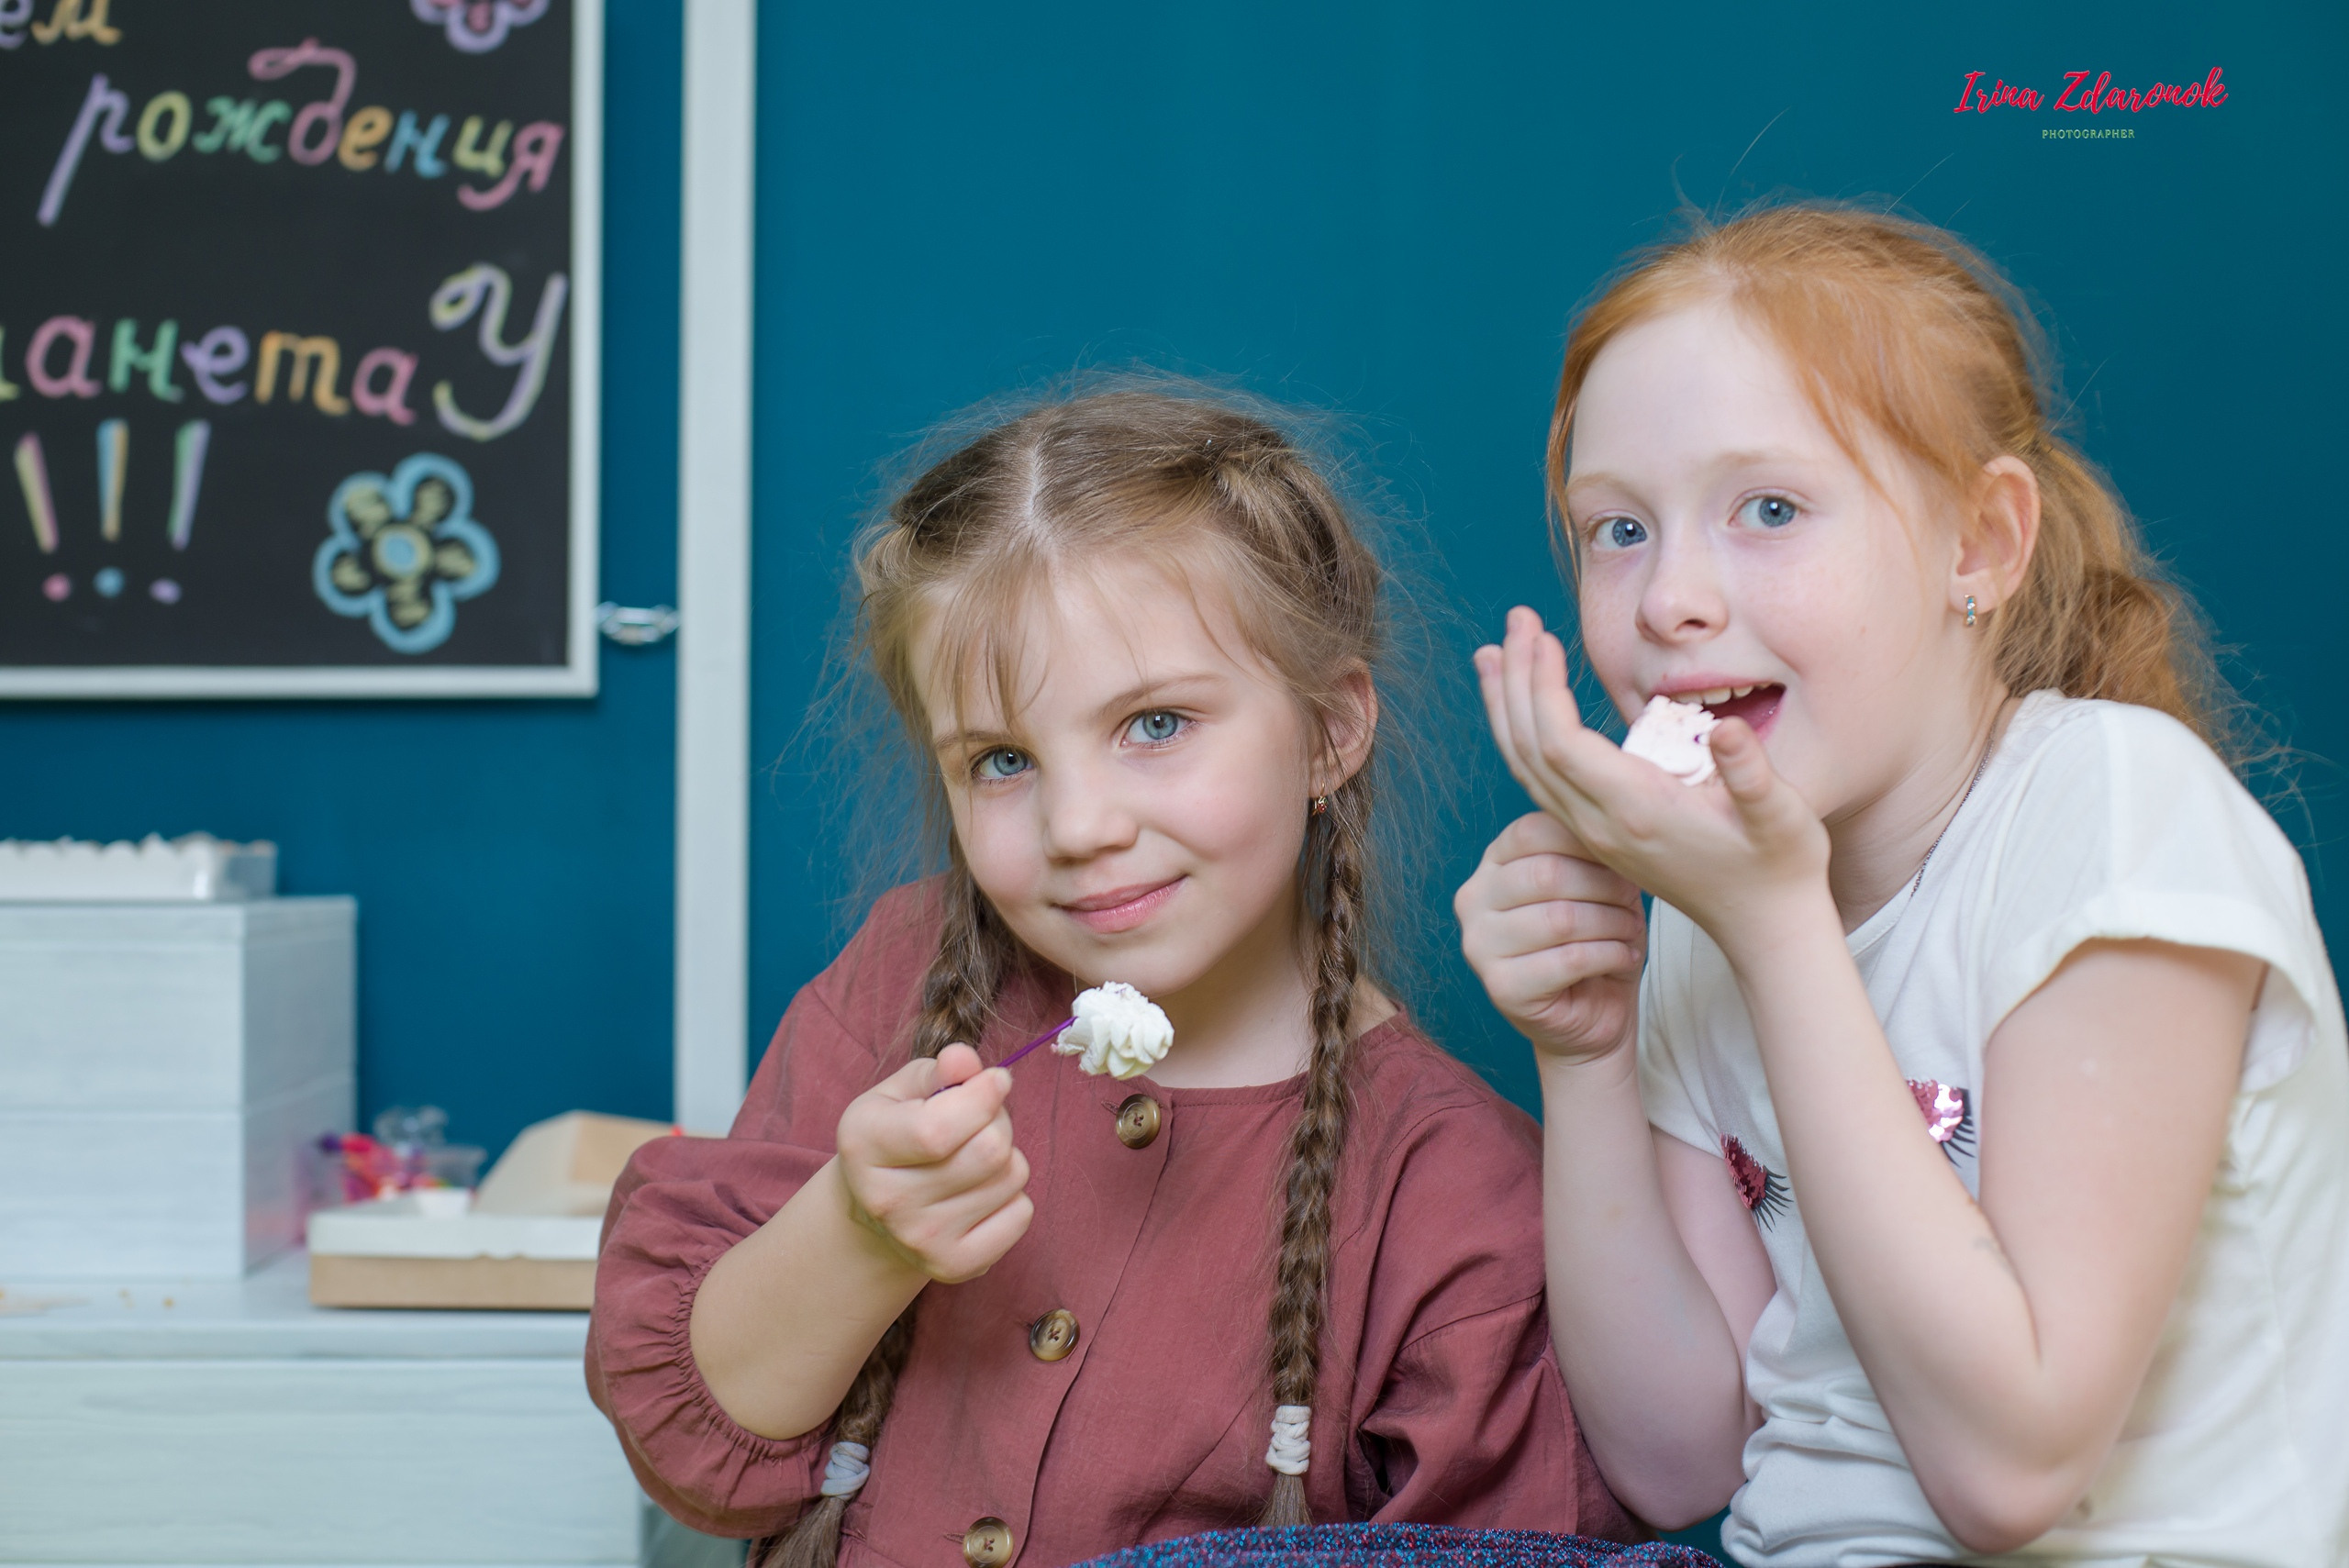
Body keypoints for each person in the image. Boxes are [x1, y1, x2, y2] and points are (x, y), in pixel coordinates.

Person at [589, 387, 1632, 1568]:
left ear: (1331, 732)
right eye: (1001, 759)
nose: (1078, 824)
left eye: (1153, 725)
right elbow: (697, 1447)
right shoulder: (905, 987)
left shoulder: (1452, 1188)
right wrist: (858, 1235)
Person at [1455, 206, 2349, 1566]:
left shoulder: (2116, 812)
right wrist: (1583, 1052)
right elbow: (1675, 1453)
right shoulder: (1708, 899)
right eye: (1618, 529)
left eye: (1769, 510)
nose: (1670, 599)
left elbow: (2010, 1473)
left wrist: (1774, 927)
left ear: (1978, 546)